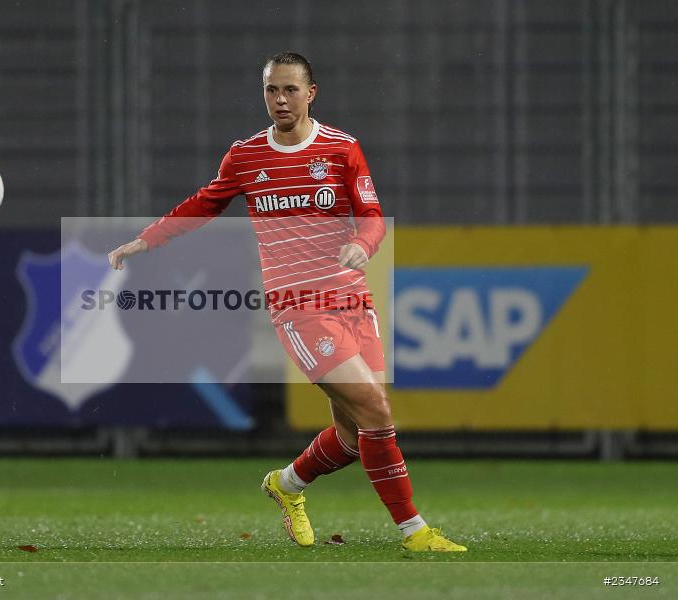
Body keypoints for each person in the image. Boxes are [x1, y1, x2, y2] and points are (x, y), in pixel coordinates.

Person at [108, 51, 466, 552]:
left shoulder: (342, 149)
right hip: (298, 307)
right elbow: (203, 204)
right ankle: (414, 531)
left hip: (354, 302)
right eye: (272, 90)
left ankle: (287, 485)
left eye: (290, 89)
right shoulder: (246, 156)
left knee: (351, 432)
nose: (280, 99)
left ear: (311, 93)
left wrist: (361, 246)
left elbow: (372, 216)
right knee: (376, 408)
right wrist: (147, 239)